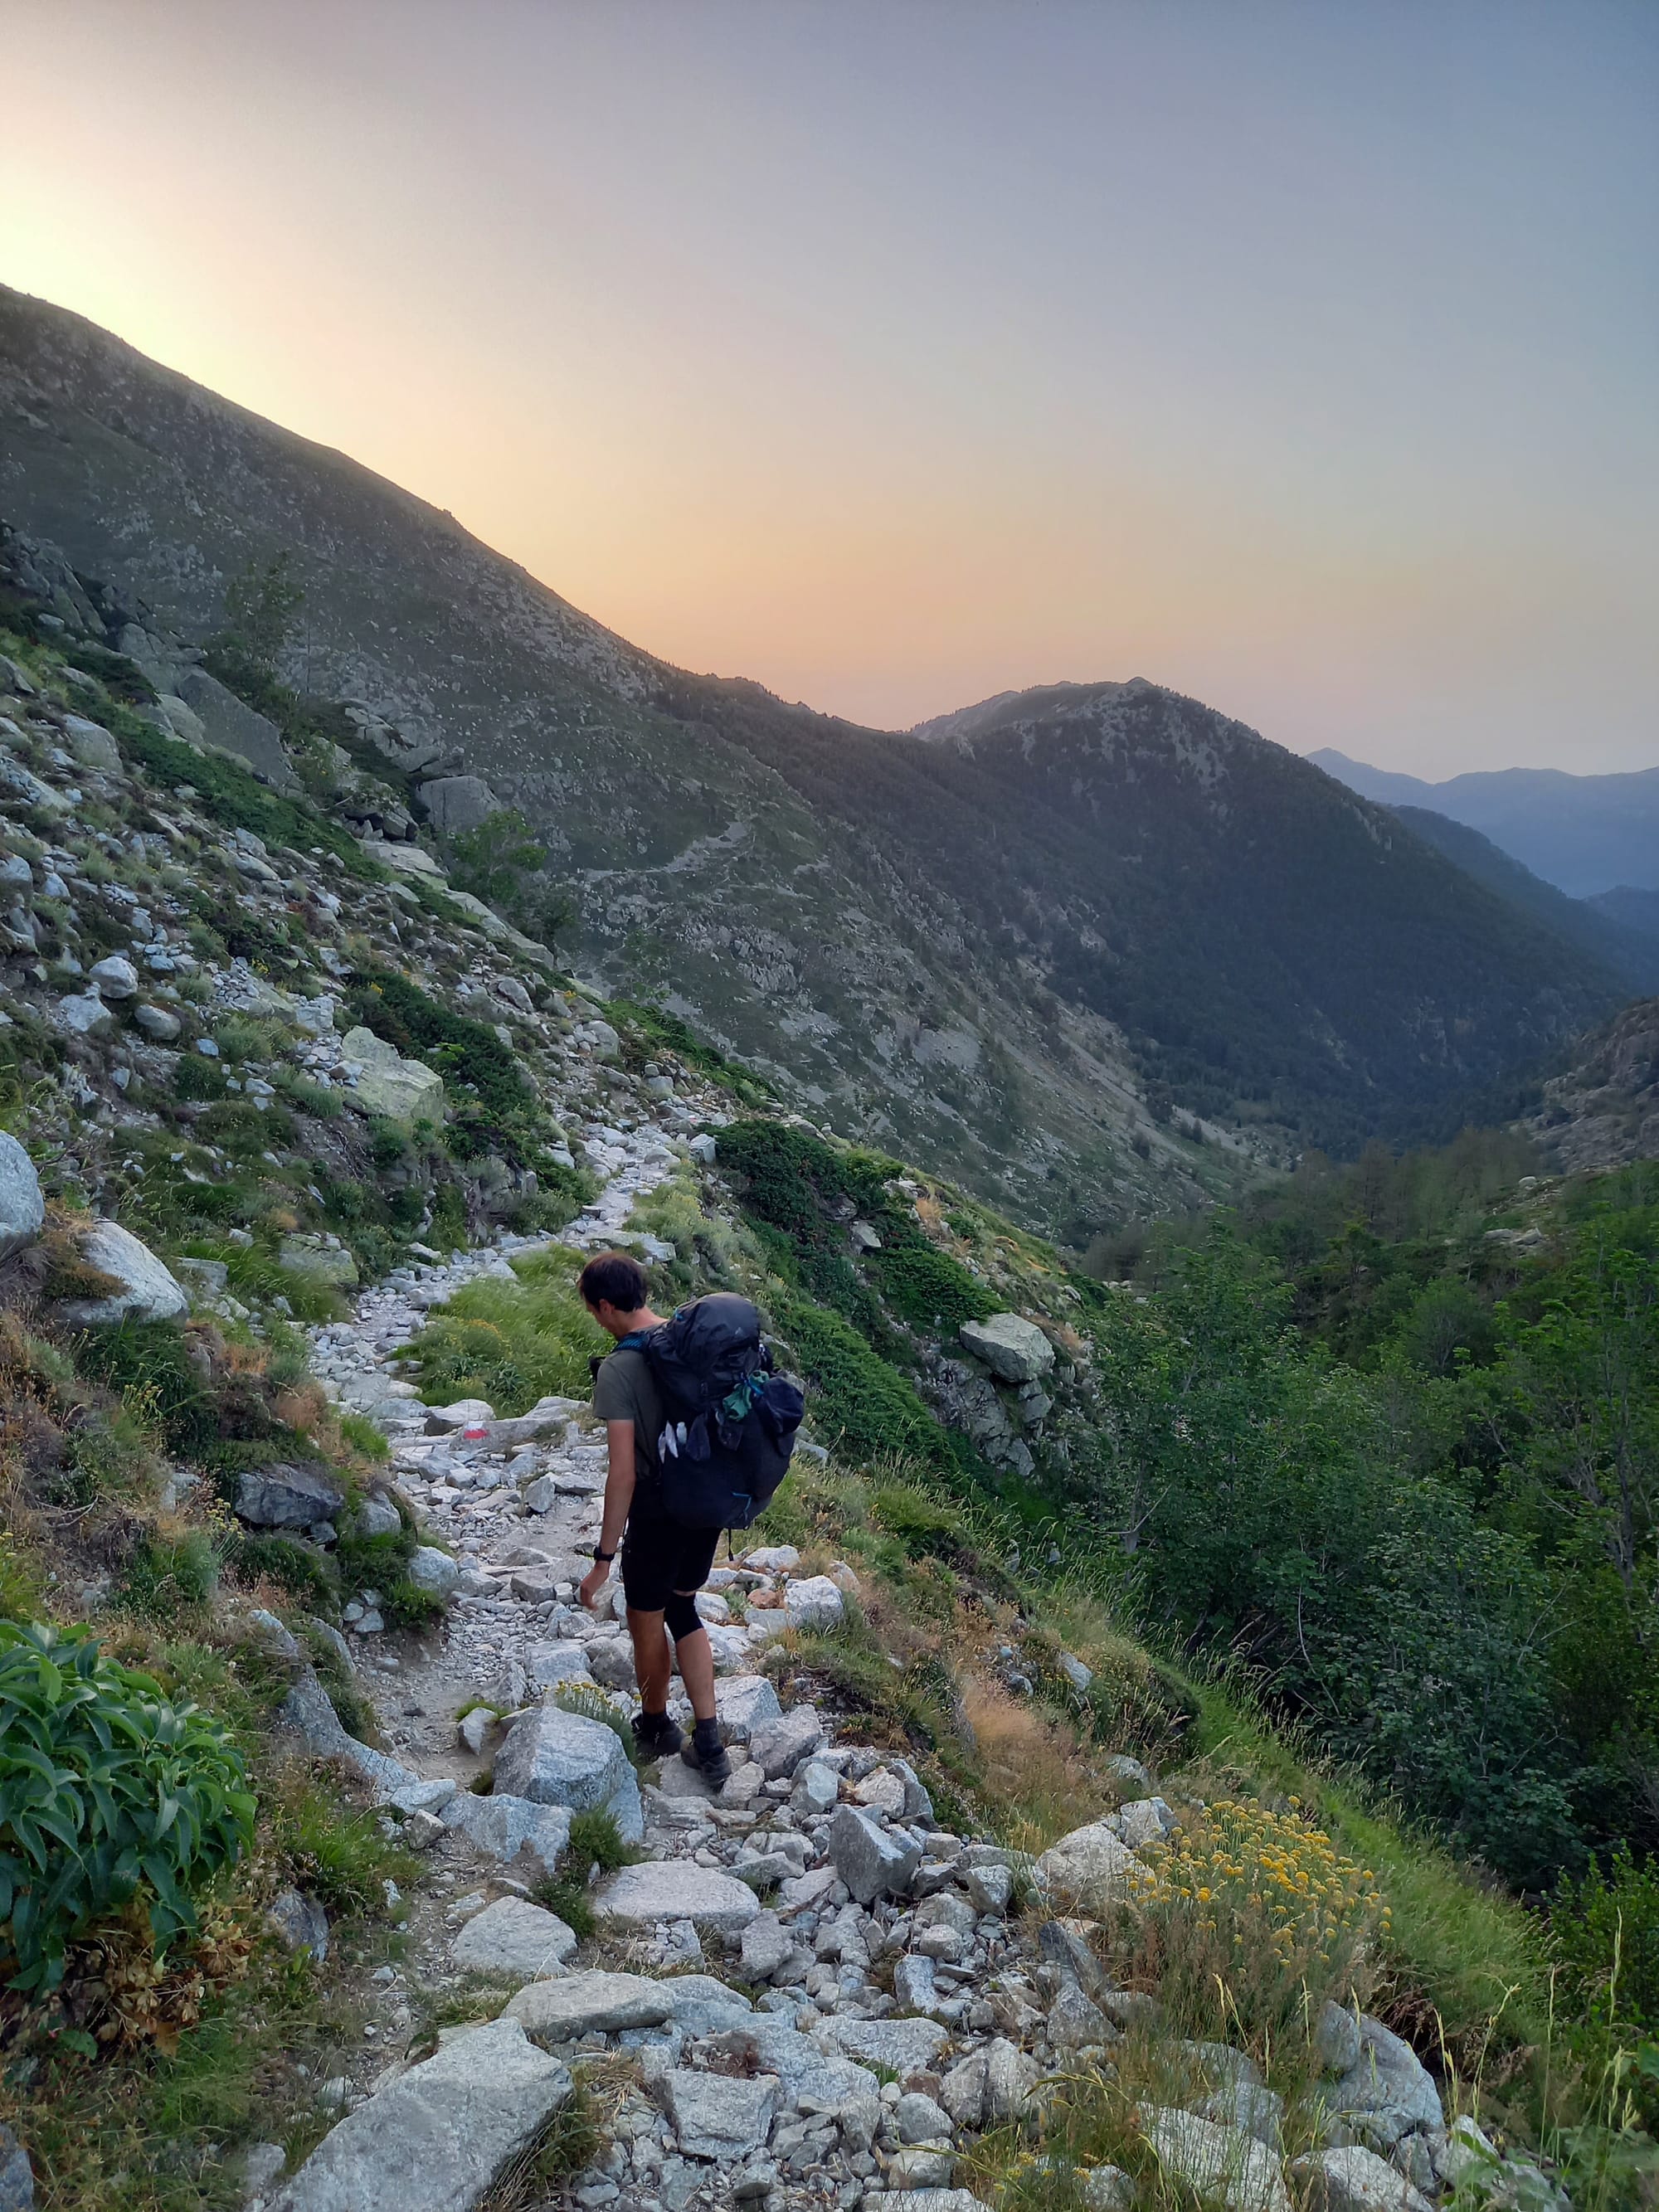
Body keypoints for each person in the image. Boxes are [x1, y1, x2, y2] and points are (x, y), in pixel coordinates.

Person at [576, 1251, 731, 1784]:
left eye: (594, 1312)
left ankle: (657, 1724)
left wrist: (603, 1559)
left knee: (645, 1616)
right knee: (683, 1609)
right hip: (707, 1502)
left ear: (604, 1306)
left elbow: (623, 1475)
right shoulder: (690, 1341)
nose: (596, 1321)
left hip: (658, 1511)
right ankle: (709, 1741)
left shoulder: (620, 1368)